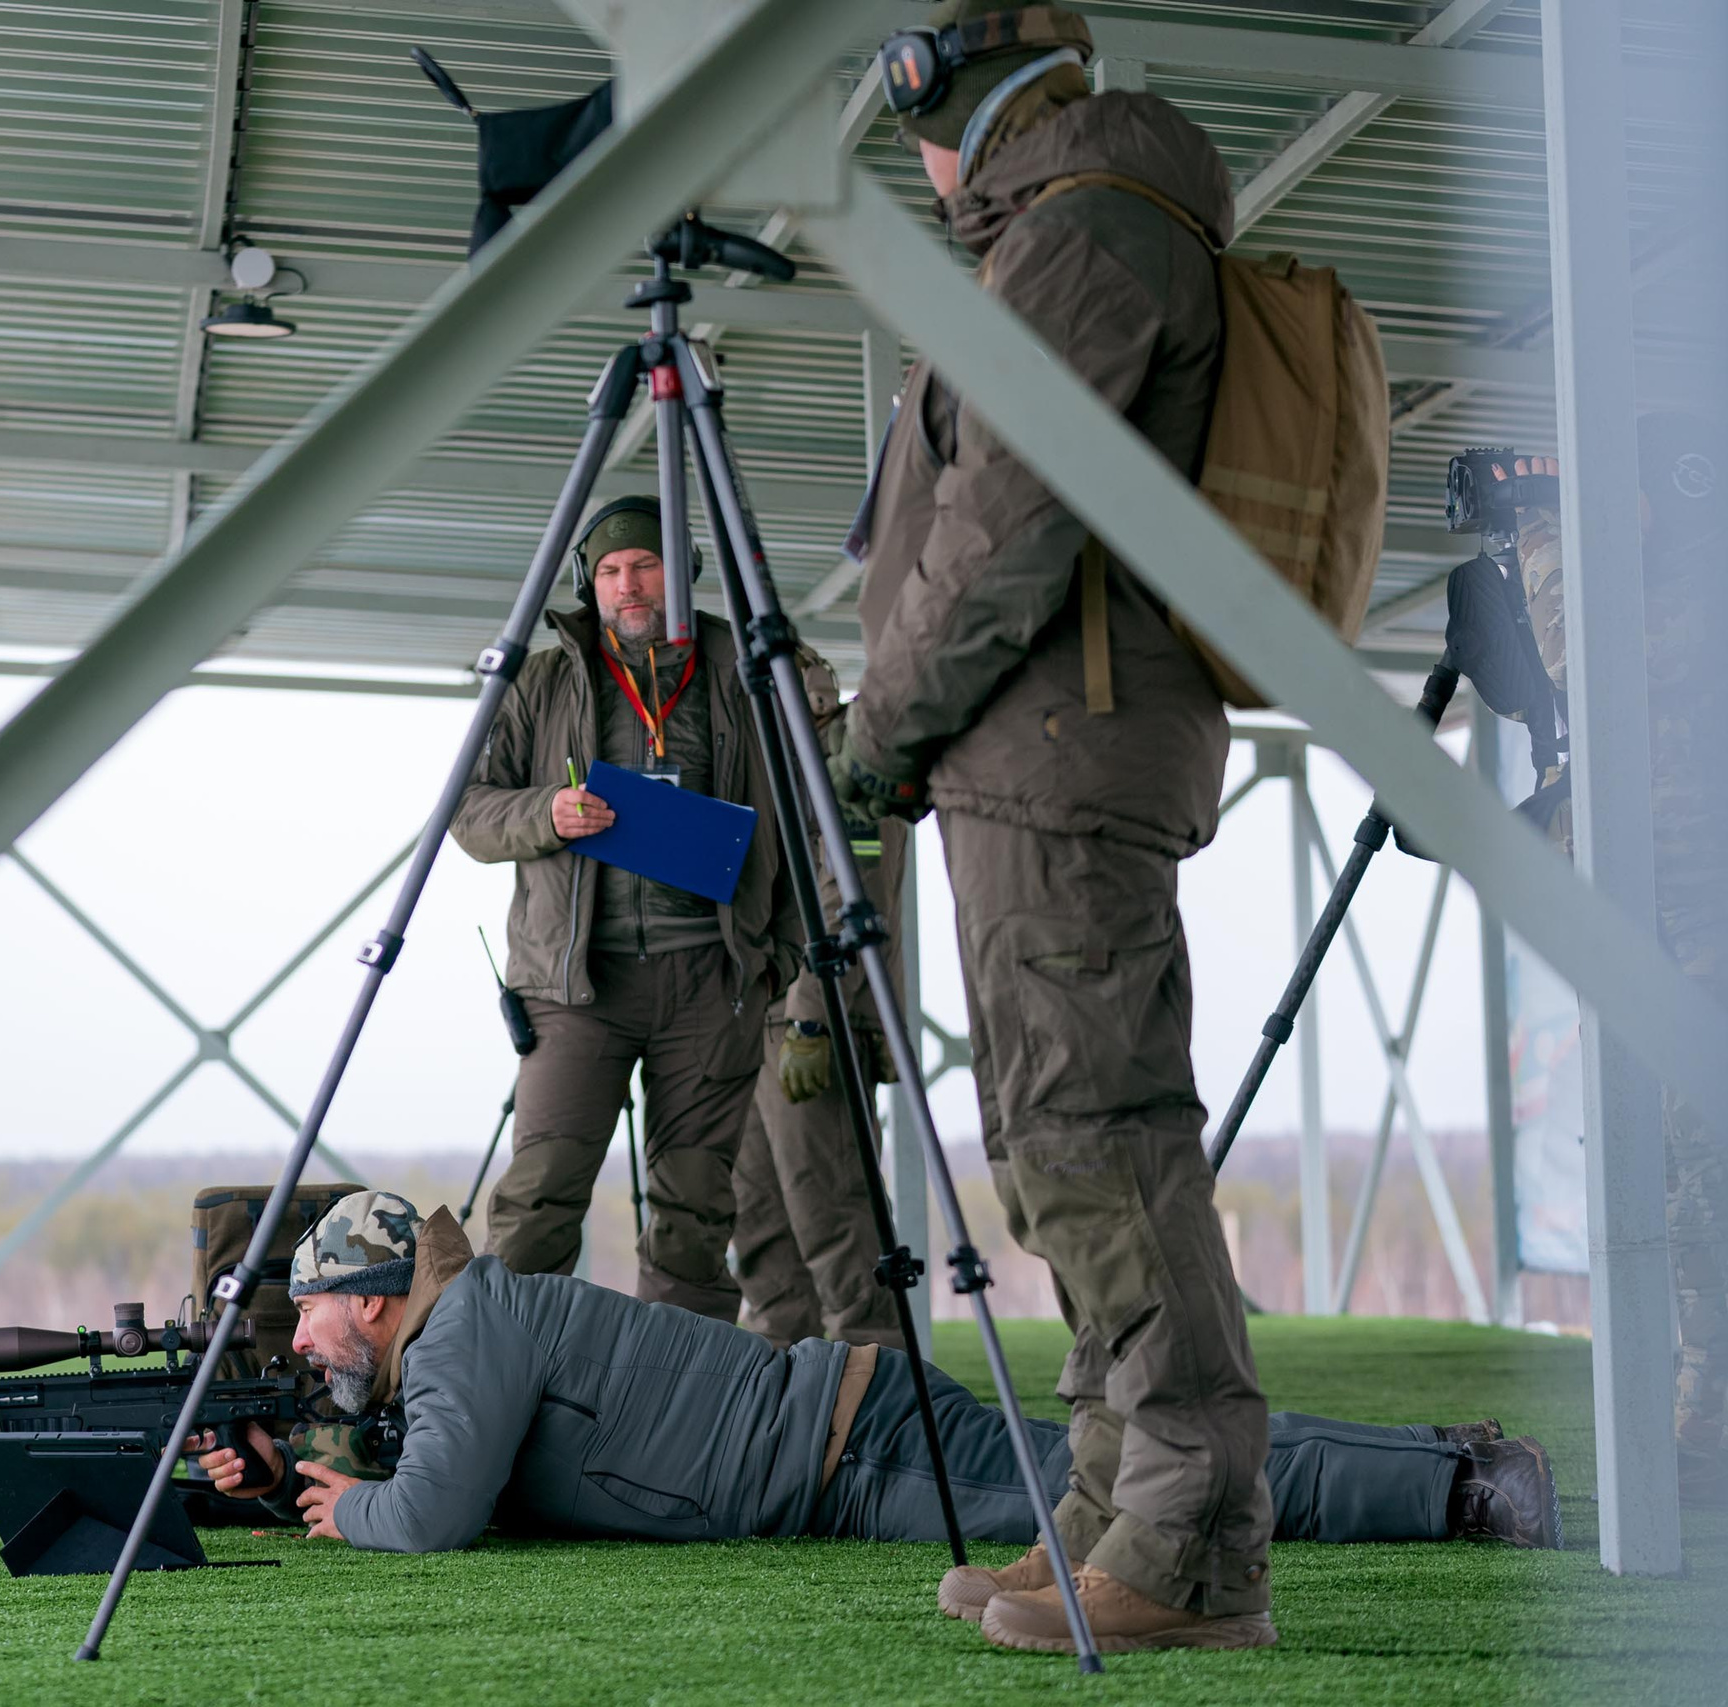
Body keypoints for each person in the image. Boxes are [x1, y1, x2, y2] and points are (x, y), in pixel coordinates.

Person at [824, 0, 1273, 1653]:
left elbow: (1005, 522)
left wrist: (874, 737)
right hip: (1030, 752)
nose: (911, 157)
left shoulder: (1084, 230)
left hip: (1057, 753)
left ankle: (1193, 1548)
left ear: (953, 83)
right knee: (1053, 1149)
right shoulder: (1064, 228)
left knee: (1101, 1138)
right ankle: (1109, 1505)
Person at [192, 1191, 1559, 1656]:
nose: (299, 1340)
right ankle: (1454, 1465)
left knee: (1158, 1484)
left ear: (375, 1301)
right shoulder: (450, 1342)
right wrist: (287, 1478)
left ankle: (1466, 1479)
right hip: (848, 1442)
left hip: (861, 1448)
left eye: (309, 1313)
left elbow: (430, 1512)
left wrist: (346, 1505)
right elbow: (434, 1461)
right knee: (1125, 1472)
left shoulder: (471, 1324)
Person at [453, 496, 802, 1321]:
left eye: (645, 564)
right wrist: (547, 813)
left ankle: (676, 1406)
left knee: (695, 1214)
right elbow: (467, 811)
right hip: (578, 990)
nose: (627, 584)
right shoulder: (540, 679)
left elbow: (800, 824)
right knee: (538, 1200)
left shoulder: (744, 677)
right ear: (588, 584)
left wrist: (773, 960)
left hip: (711, 986)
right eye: (609, 571)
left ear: (680, 573)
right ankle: (506, 1382)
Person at [1502, 420, 1728, 1499]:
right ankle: (1715, 1409)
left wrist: (1547, 534)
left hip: (1711, 936)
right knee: (1675, 1172)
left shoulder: (1697, 606)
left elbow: (1583, 654)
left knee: (1708, 1162)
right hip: (1659, 929)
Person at [732, 685, 912, 1350]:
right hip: (746, 1019)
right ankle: (786, 1411)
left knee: (837, 1225)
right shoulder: (759, 767)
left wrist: (812, 1016)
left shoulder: (847, 767)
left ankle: (876, 1412)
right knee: (760, 1232)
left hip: (810, 1025)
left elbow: (850, 901)